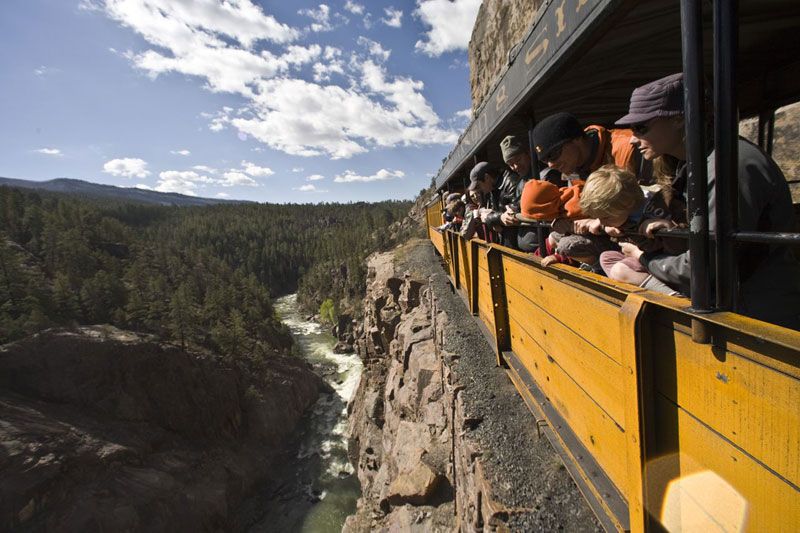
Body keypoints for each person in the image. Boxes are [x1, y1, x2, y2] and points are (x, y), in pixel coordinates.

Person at [614, 72, 800, 329]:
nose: (632, 138)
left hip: (760, 316)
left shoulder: (727, 165)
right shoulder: (703, 164)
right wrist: (675, 233)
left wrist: (644, 258)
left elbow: (705, 266)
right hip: (743, 305)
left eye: (641, 127)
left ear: (679, 119)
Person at [578, 165, 686, 294]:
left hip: (663, 262)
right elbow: (620, 229)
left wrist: (669, 229)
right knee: (606, 257)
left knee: (620, 271)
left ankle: (672, 296)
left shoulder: (659, 209)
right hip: (644, 258)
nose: (601, 222)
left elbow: (680, 248)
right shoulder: (622, 214)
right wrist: (607, 227)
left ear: (627, 204)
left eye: (605, 217)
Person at [532, 112, 646, 181]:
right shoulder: (575, 168)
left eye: (553, 155)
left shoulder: (631, 146)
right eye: (545, 160)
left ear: (577, 138)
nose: (551, 164)